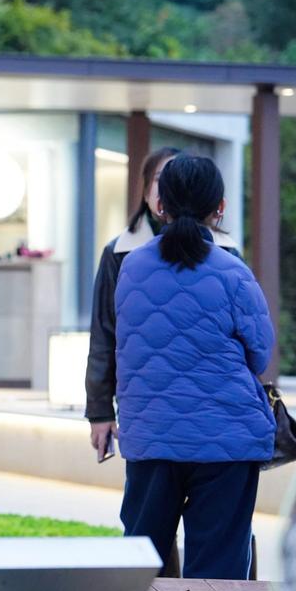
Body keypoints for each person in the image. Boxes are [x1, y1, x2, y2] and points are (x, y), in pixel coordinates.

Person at [113, 154, 274, 579]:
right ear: (219, 208)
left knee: (142, 570)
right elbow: (260, 354)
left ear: (159, 205)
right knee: (218, 575)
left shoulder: (131, 268)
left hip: (151, 436)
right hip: (227, 440)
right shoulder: (234, 273)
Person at [85, 147, 241, 457]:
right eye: (161, 177)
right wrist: (100, 410)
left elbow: (250, 342)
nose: (169, 185)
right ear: (147, 193)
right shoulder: (119, 254)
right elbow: (104, 334)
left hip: (215, 412)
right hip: (147, 414)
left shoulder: (228, 254)